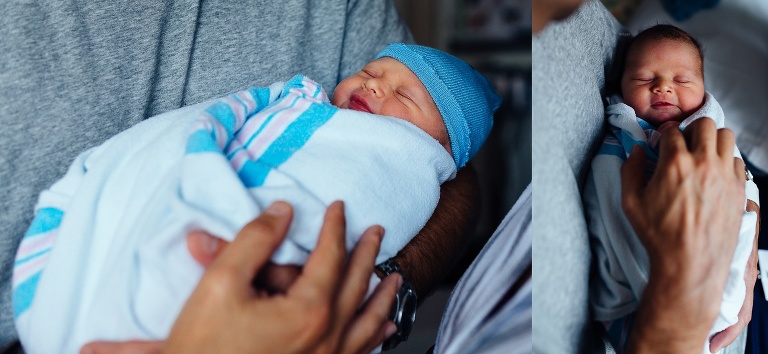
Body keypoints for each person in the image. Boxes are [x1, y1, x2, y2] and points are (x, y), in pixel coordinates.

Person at [0, 2, 483, 353]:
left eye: (403, 96)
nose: (375, 83)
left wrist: (359, 296)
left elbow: (454, 180)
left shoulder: (349, 18)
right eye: (370, 71)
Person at [533, 1, 757, 353]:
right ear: (621, 85)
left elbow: (740, 180)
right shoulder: (618, 129)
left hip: (713, 287)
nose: (663, 88)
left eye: (682, 80)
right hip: (632, 298)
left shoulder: (708, 130)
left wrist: (749, 252)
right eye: (645, 79)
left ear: (703, 89)